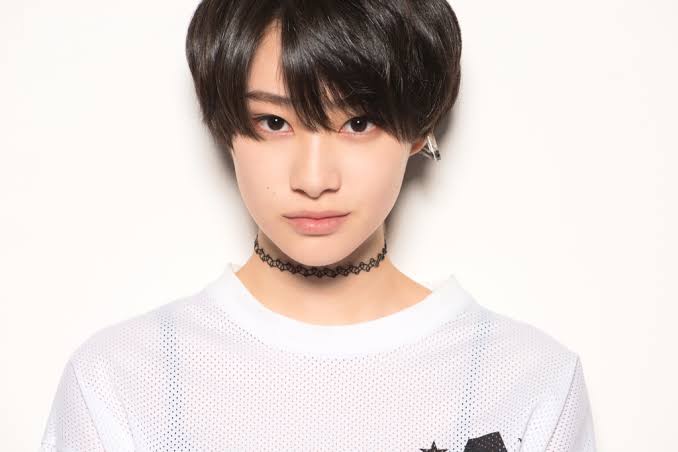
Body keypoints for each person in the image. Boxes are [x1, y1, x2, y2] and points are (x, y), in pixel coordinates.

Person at [38, 1, 596, 451]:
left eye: (358, 122)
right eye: (273, 122)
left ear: (419, 127)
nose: (313, 179)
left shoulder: (528, 379)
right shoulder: (124, 378)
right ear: (226, 125)